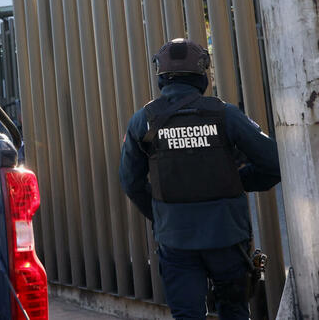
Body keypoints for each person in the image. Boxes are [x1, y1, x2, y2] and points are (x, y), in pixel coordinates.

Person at [120, 38, 281, 320]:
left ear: (161, 76)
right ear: (202, 74)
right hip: (228, 237)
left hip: (176, 239)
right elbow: (273, 164)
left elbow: (131, 182)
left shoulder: (142, 121)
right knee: (234, 311)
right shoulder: (226, 115)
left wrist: (162, 216)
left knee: (187, 315)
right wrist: (238, 180)